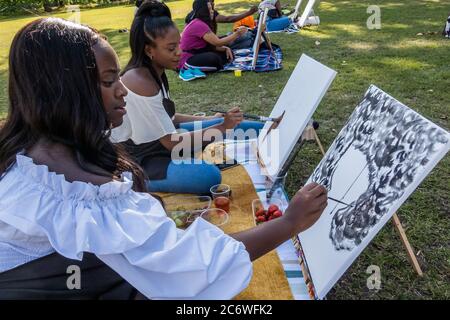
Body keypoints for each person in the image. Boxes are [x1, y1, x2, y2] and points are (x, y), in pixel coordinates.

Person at [0, 17, 328, 299]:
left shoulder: (30, 152)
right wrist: (290, 222)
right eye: (108, 81)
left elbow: (174, 120)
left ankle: (275, 126)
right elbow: (196, 263)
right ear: (65, 92)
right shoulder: (88, 201)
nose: (121, 90)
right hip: (153, 156)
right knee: (207, 176)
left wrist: (218, 123)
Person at [113, 1, 264, 194]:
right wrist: (219, 127)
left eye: (178, 45)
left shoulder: (153, 71)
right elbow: (172, 142)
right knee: (208, 176)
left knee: (220, 122)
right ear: (149, 50)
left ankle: (275, 129)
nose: (179, 52)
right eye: (170, 48)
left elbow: (170, 118)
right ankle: (138, 182)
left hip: (163, 142)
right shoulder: (140, 81)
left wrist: (210, 121)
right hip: (142, 161)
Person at [179, 0, 248, 78]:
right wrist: (237, 34)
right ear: (203, 10)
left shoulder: (202, 23)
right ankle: (189, 68)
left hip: (199, 53)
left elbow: (210, 45)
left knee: (226, 54)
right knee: (214, 59)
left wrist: (225, 49)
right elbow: (218, 42)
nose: (212, 12)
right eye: (209, 9)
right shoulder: (198, 24)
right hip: (188, 59)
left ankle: (217, 64)